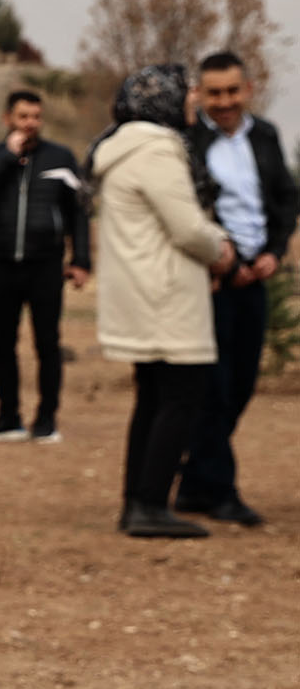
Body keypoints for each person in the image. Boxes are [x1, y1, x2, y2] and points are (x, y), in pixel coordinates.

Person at [90, 63, 238, 540]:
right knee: (180, 397)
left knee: (153, 398)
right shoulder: (156, 151)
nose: (193, 100)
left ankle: (138, 499)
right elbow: (187, 227)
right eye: (187, 92)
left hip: (140, 290)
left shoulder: (122, 149)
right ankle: (150, 503)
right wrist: (222, 249)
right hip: (166, 293)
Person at [175, 49, 295, 525]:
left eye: (231, 91)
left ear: (247, 90)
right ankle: (221, 491)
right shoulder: (187, 142)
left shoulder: (265, 136)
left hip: (257, 277)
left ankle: (193, 484)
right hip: (213, 283)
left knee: (242, 384)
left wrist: (273, 252)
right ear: (199, 95)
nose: (223, 102)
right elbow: (187, 208)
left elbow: (285, 199)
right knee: (215, 388)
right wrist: (225, 264)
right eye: (213, 93)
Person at [0, 87, 91, 442]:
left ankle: (46, 418)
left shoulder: (61, 159)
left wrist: (81, 259)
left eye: (36, 117)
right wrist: (7, 157)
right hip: (3, 264)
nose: (30, 124)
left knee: (47, 343)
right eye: (23, 117)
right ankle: (8, 416)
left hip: (45, 265)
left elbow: (78, 212)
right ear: (7, 120)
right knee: (2, 343)